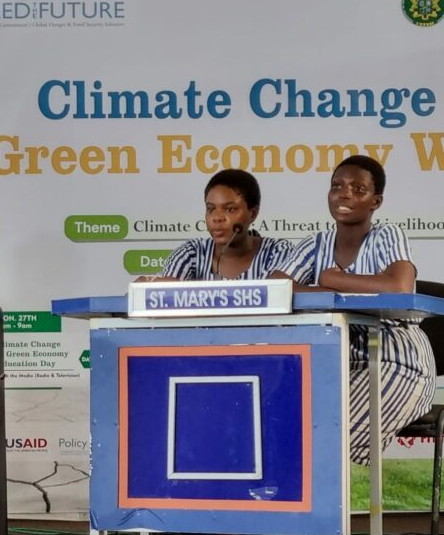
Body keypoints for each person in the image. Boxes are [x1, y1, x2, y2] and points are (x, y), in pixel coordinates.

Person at [272, 155, 435, 466]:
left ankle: (325, 515)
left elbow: (400, 287)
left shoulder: (386, 235)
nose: (344, 194)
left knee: (325, 440)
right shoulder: (315, 244)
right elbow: (277, 288)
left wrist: (334, 278)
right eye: (337, 186)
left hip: (397, 362)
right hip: (336, 364)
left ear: (376, 201)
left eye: (357, 189)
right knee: (287, 427)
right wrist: (328, 290)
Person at [149, 169, 293, 281]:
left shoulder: (278, 252)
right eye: (210, 209)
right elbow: (163, 296)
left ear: (253, 213)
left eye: (230, 209)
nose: (217, 218)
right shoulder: (192, 253)